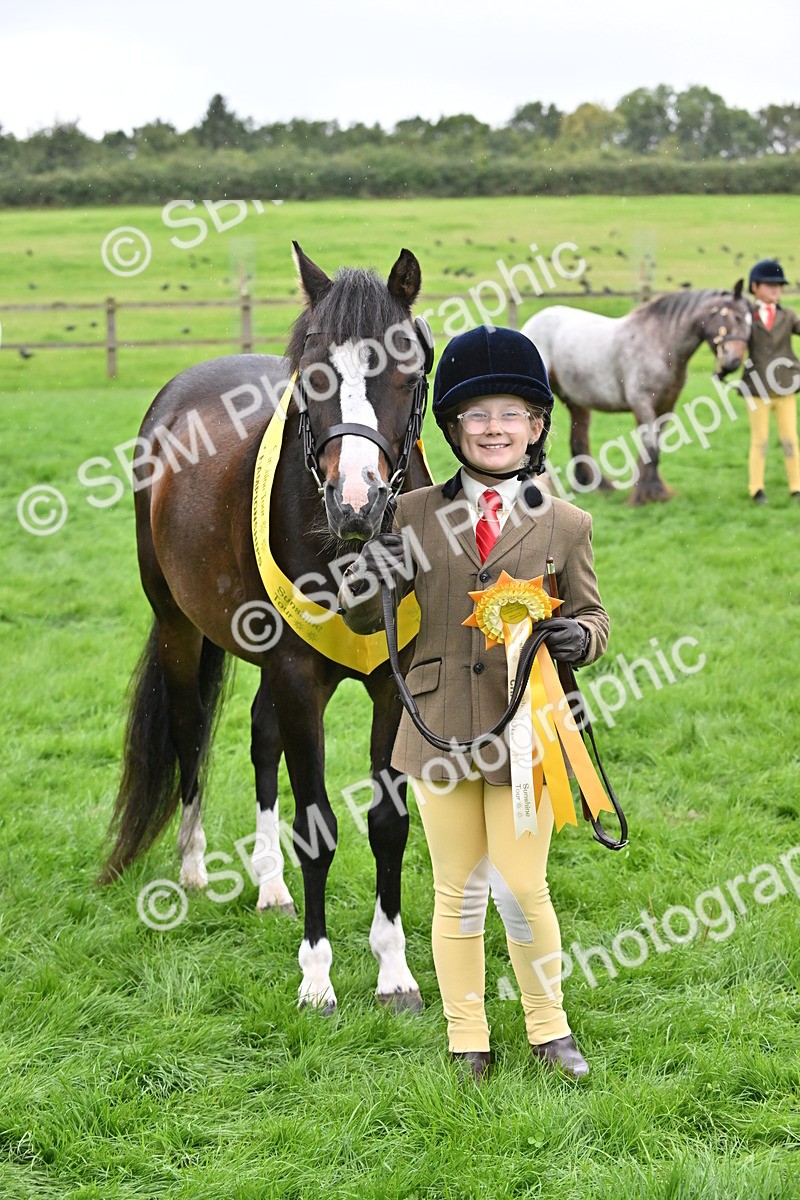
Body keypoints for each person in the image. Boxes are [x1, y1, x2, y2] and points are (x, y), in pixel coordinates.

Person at [338, 326, 609, 1082]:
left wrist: (579, 638)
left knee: (523, 888)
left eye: (511, 414)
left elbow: (593, 616)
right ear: (454, 429)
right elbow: (363, 618)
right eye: (477, 415)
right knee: (456, 891)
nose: (494, 428)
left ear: (537, 425)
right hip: (439, 726)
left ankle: (549, 1028)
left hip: (528, 728)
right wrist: (367, 566)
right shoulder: (413, 514)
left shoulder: (567, 523)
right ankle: (468, 1038)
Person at [740, 259, 800, 504]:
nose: (776, 290)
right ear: (755, 287)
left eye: (779, 286)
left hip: (786, 387)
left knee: (790, 439)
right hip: (757, 390)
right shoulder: (746, 317)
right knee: (760, 440)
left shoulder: (788, 315)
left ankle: (796, 487)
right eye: (770, 285)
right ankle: (756, 488)